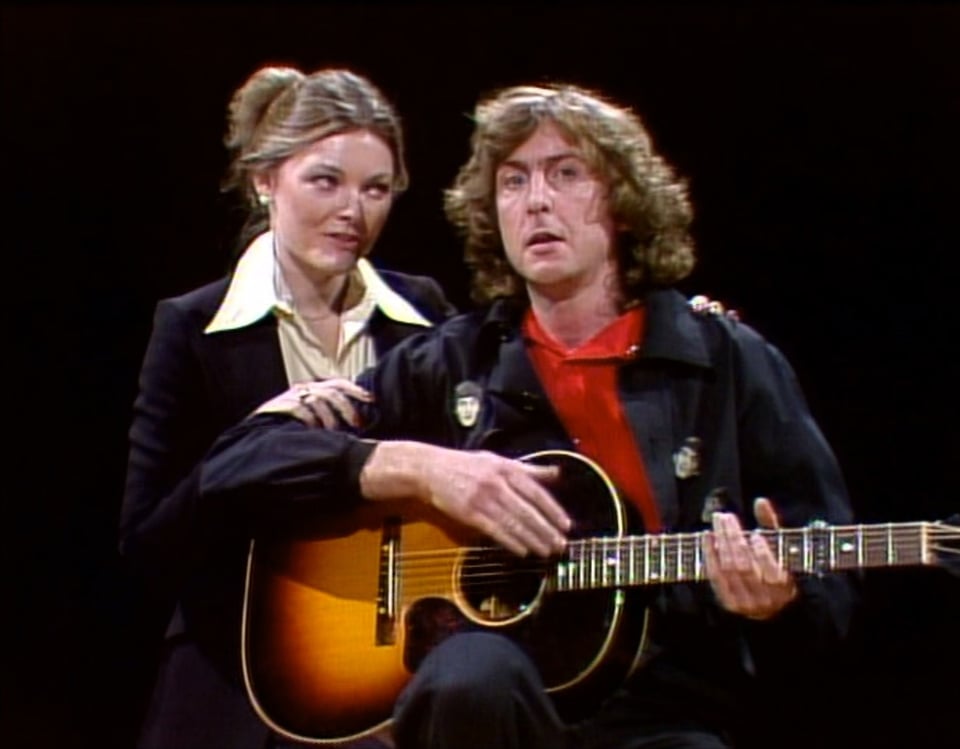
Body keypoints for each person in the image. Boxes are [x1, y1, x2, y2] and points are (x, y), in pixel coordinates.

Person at [200, 82, 856, 749]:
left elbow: (829, 579)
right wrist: (420, 468)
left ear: (624, 204)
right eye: (513, 182)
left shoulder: (728, 361)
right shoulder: (455, 361)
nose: (535, 199)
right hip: (492, 703)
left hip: (664, 712)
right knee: (467, 675)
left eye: (566, 174)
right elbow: (234, 468)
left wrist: (780, 601)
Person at [118, 64, 456, 749]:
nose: (352, 212)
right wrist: (257, 438)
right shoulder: (193, 327)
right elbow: (146, 546)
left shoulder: (427, 314)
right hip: (235, 666)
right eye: (325, 181)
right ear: (264, 179)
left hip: (388, 667)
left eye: (376, 189)